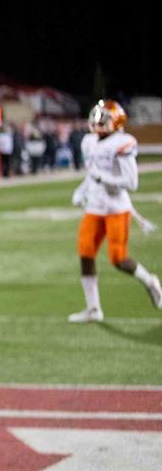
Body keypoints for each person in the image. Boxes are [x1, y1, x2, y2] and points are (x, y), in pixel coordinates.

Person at [68, 99, 161, 322]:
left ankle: (151, 282)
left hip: (116, 207)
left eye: (102, 118)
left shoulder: (123, 142)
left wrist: (103, 179)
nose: (96, 122)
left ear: (115, 122)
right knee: (85, 253)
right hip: (94, 208)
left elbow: (131, 183)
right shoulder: (89, 141)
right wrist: (82, 190)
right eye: (96, 117)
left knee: (119, 259)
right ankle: (93, 308)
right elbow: (92, 174)